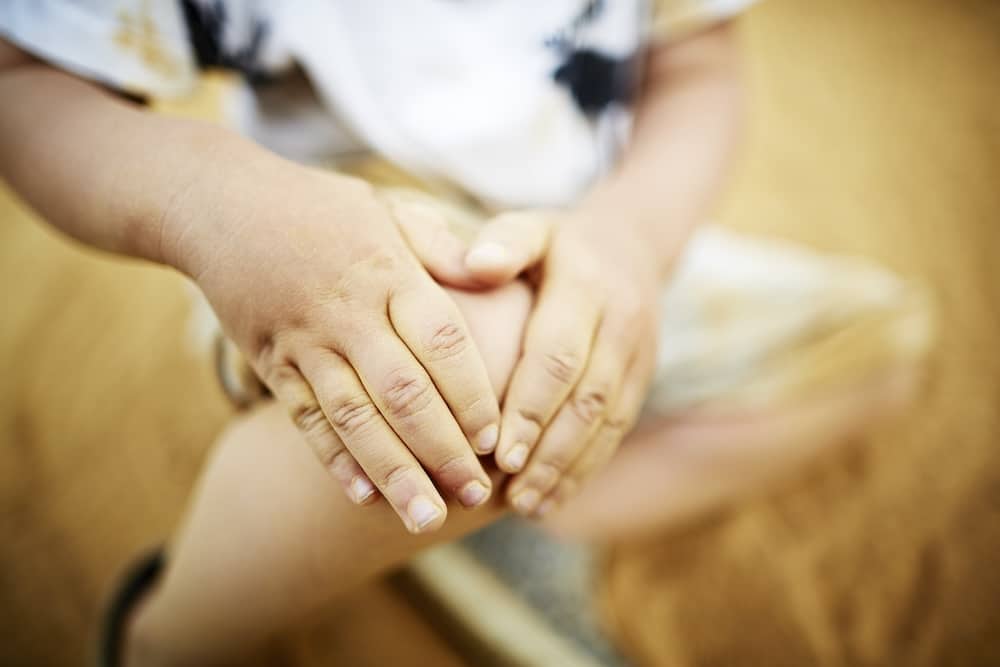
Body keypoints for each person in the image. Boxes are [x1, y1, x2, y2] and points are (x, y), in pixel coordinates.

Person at [2, 1, 914, 664]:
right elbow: (26, 79)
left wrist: (632, 237)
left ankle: (534, 519)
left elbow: (699, 69)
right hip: (315, 257)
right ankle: (171, 635)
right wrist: (206, 204)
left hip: (594, 236)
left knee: (877, 353)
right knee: (483, 349)